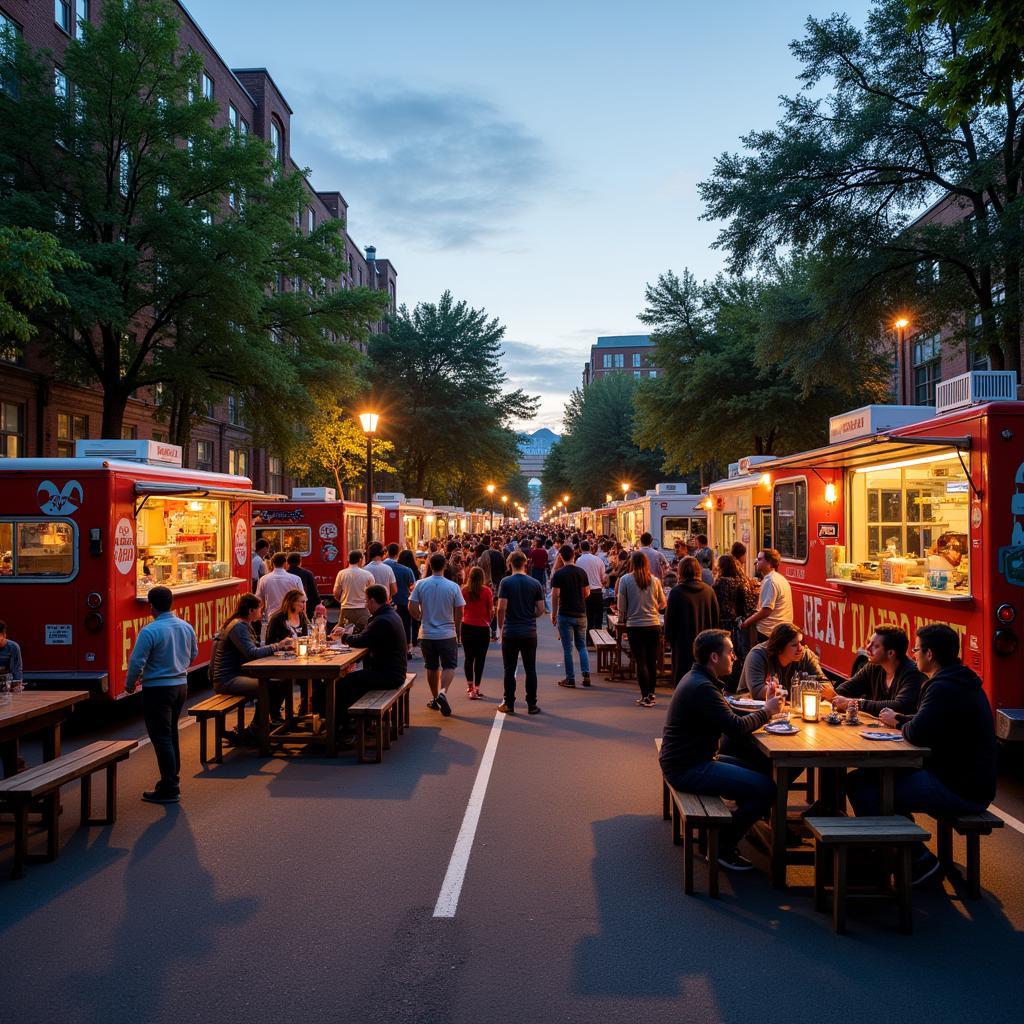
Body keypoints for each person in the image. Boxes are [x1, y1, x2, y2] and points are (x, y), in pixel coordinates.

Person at [847, 624, 998, 884]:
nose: (913, 654)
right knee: (865, 779)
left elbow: (916, 732)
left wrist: (901, 722)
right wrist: (902, 720)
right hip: (968, 780)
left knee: (865, 788)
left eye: (916, 650)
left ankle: (918, 860)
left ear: (929, 654)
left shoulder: (941, 687)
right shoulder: (958, 680)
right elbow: (923, 723)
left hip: (959, 787)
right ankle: (895, 850)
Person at [659, 629, 781, 871]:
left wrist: (764, 708)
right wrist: (767, 711)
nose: (734, 657)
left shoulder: (699, 679)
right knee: (767, 789)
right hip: (687, 767)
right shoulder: (703, 687)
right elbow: (735, 727)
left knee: (762, 771)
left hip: (689, 759)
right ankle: (721, 847)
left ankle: (741, 823)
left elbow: (728, 716)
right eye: (730, 652)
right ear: (714, 657)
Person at [125, 586, 198, 804]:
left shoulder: (150, 631)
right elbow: (193, 653)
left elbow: (137, 661)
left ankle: (170, 785)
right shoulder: (186, 626)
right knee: (171, 733)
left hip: (157, 688)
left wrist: (130, 684)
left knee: (161, 737)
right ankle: (172, 777)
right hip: (180, 685)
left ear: (151, 606)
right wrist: (180, 668)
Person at [210, 594, 294, 741]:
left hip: (235, 675)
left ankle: (264, 724)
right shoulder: (239, 627)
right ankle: (257, 729)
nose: (261, 613)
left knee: (280, 683)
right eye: (259, 610)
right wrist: (278, 645)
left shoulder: (241, 624)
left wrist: (276, 648)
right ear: (250, 611)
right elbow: (252, 653)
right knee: (268, 687)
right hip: (227, 679)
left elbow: (253, 649)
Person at [341, 585, 409, 744]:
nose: (365, 604)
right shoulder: (389, 614)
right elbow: (367, 637)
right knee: (352, 680)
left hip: (389, 675)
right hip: (394, 671)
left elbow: (362, 640)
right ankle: (353, 722)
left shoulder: (381, 620)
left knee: (344, 683)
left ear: (372, 600)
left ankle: (345, 726)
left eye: (366, 601)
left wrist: (344, 637)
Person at [821, 626, 923, 717]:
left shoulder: (912, 673)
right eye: (869, 642)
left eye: (875, 646)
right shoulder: (873, 667)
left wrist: (855, 703)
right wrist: (833, 696)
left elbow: (900, 706)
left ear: (891, 653)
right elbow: (848, 688)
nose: (867, 647)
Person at [410, 552, 465, 716]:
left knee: (431, 667)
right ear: (445, 566)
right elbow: (460, 610)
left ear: (430, 565)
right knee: (449, 665)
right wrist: (456, 628)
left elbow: (411, 605)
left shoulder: (421, 584)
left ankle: (435, 698)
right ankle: (443, 692)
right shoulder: (453, 586)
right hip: (447, 632)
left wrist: (419, 617)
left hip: (427, 632)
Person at [496, 550, 545, 714]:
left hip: (511, 631)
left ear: (510, 564)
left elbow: (501, 608)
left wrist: (500, 627)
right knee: (530, 668)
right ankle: (532, 704)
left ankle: (509, 703)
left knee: (509, 669)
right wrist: (530, 616)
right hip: (529, 631)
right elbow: (541, 609)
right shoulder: (535, 583)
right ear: (525, 563)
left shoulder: (506, 582)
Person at [617, 550, 667, 707]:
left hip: (635, 625)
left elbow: (621, 606)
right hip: (653, 624)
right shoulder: (655, 580)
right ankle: (651, 694)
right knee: (652, 660)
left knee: (641, 661)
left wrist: (622, 619)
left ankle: (645, 694)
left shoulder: (625, 580)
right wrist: (652, 608)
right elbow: (663, 603)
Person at [736, 622, 827, 700]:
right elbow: (757, 693)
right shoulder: (758, 655)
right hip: (752, 709)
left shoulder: (805, 655)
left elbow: (825, 684)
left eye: (801, 643)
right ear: (779, 648)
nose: (800, 648)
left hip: (788, 709)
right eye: (794, 645)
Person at [665, 556, 720, 684]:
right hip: (706, 644)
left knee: (683, 680)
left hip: (682, 644)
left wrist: (669, 639)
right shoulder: (709, 591)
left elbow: (670, 620)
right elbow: (715, 618)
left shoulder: (676, 592)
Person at [551, 544, 592, 688]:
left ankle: (570, 678)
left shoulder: (559, 574)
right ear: (574, 555)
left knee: (568, 648)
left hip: (565, 613)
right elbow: (587, 592)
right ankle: (586, 674)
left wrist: (553, 614)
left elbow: (555, 595)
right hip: (581, 612)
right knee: (582, 646)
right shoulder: (581, 572)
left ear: (561, 557)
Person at [740, 548, 793, 643]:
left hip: (769, 632)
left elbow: (766, 610)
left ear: (769, 562)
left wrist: (747, 622)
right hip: (780, 630)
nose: (756, 561)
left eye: (760, 559)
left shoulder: (770, 581)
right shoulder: (780, 579)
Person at [461, 565, 493, 699]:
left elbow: (460, 607)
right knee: (480, 659)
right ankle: (477, 687)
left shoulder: (464, 590)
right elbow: (490, 611)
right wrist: (489, 621)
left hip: (467, 625)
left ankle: (470, 687)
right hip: (482, 627)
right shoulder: (486, 591)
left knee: (469, 657)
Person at [256, 553, 305, 639]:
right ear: (285, 563)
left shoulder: (264, 579)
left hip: (272, 619)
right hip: (292, 618)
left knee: (274, 645)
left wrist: (259, 615)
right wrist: (303, 616)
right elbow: (303, 599)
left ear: (272, 563)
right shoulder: (295, 579)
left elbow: (259, 601)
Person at [385, 544, 417, 657]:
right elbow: (412, 587)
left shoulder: (384, 567)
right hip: (404, 601)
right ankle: (407, 648)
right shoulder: (407, 570)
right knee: (405, 626)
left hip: (388, 602)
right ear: (398, 553)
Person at [333, 550, 375, 633]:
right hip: (363, 609)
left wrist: (341, 600)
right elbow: (372, 593)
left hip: (346, 609)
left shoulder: (341, 573)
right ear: (360, 560)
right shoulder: (367, 574)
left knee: (343, 633)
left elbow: (336, 592)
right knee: (364, 633)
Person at [576, 540, 607, 635]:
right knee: (598, 618)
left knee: (588, 617)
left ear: (581, 549)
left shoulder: (578, 561)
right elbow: (603, 578)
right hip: (598, 592)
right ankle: (598, 638)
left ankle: (588, 639)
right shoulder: (598, 560)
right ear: (590, 548)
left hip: (585, 593)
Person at [0, 619, 24, 692]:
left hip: (7, 682)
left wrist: (17, 684)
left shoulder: (13, 647)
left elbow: (17, 669)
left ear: (4, 635)